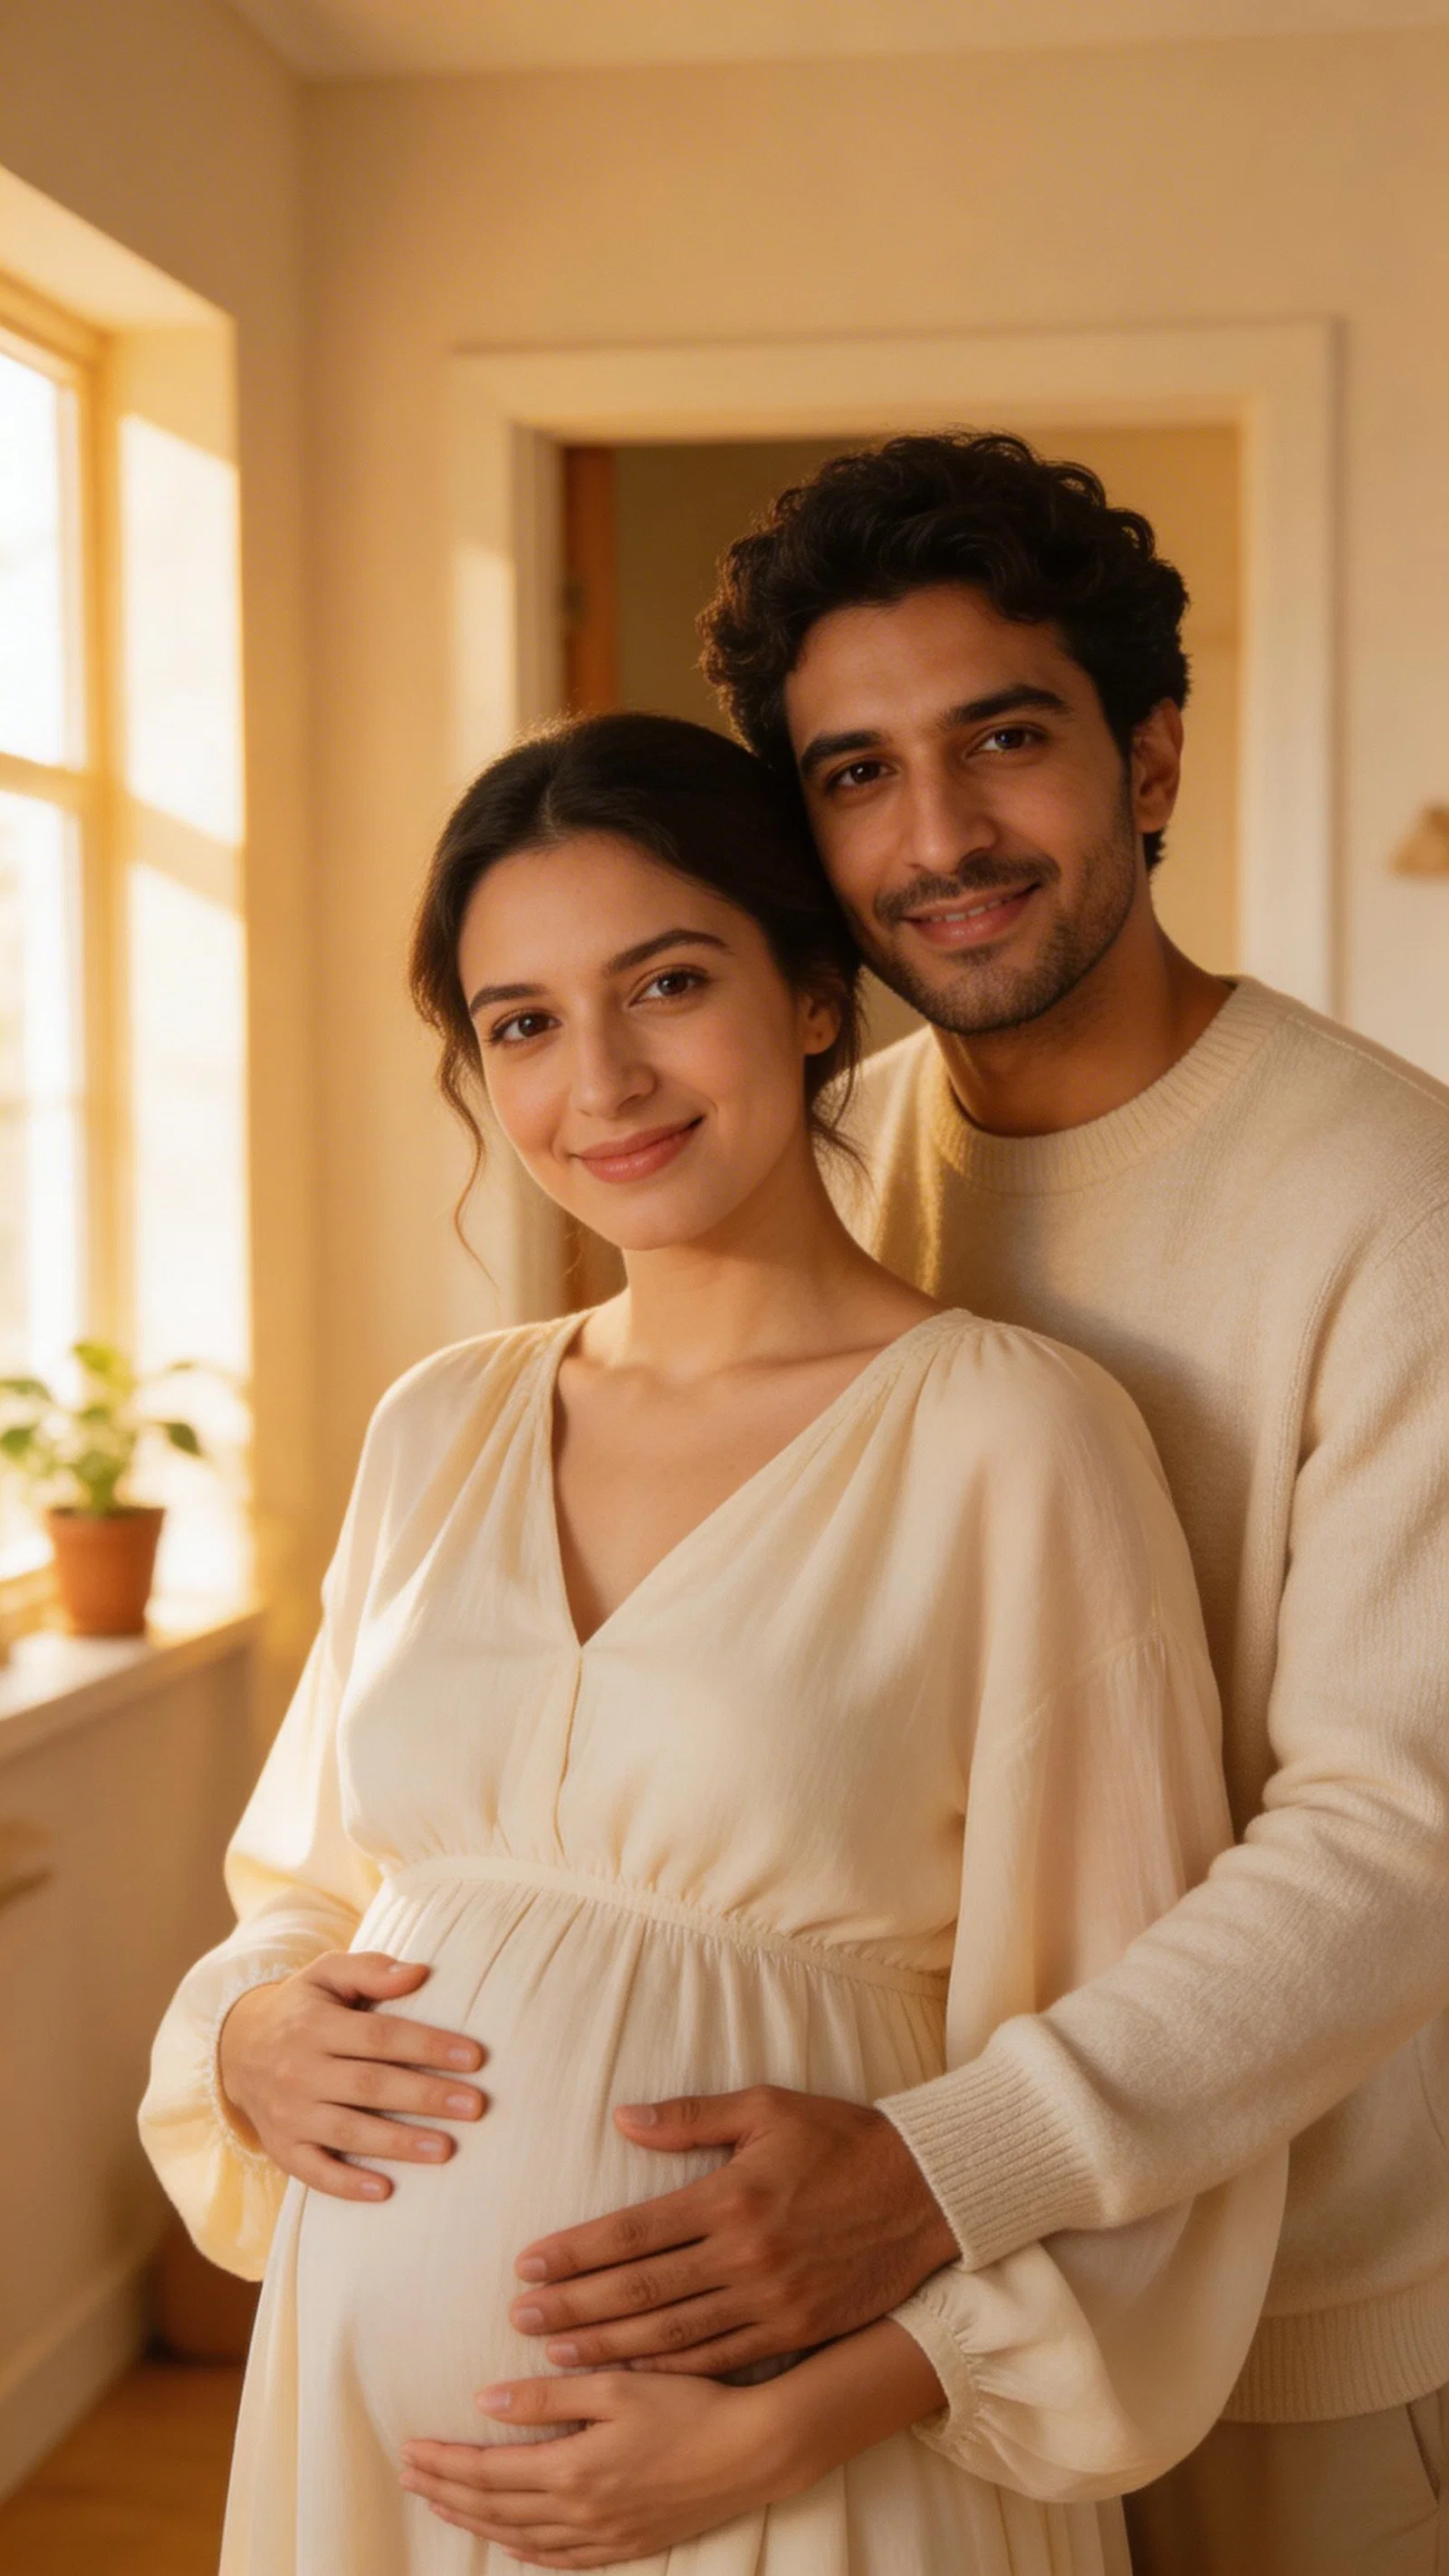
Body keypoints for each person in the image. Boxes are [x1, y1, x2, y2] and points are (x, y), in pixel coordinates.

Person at [139, 710, 1282, 2574]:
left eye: (663, 983)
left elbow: (1127, 2064)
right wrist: (255, 2029)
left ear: (817, 995)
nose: (600, 1079)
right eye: (519, 1022)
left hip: (806, 2477)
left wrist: (777, 2429)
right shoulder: (443, 1422)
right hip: (368, 2459)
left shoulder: (1011, 1436)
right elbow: (308, 1891)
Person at [492, 437, 1449, 2576]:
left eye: (999, 741)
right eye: (850, 774)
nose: (933, 841)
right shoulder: (818, 1160)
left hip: (1285, 2319)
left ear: (1148, 756)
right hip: (904, 2331)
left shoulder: (1396, 1205)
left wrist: (944, 2167)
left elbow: (1395, 1832)